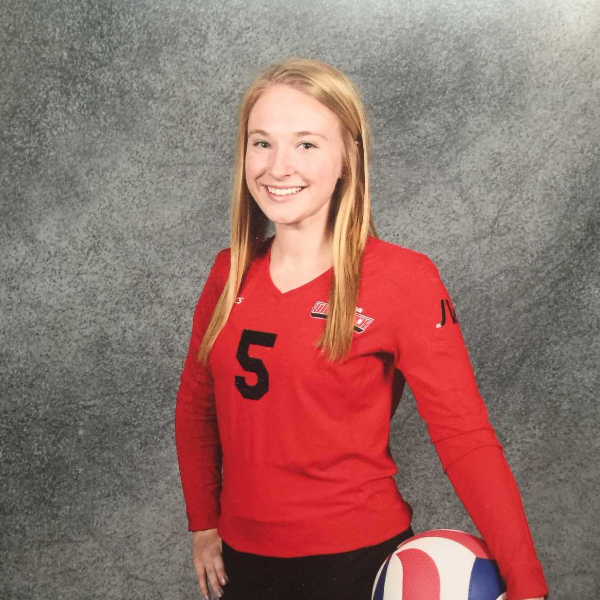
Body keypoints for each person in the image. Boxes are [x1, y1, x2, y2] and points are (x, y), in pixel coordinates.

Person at [174, 58, 548, 600]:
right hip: (244, 564)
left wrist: (528, 585)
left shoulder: (403, 279)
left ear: (347, 157)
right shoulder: (227, 272)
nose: (278, 167)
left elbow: (465, 439)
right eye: (262, 143)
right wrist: (204, 522)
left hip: (358, 566)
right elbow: (196, 406)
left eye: (306, 144)